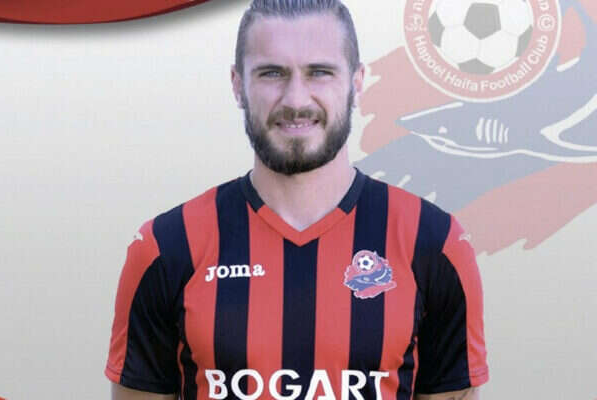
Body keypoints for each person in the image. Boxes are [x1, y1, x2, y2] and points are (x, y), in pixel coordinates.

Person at [105, 0, 489, 399]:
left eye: (319, 72)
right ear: (237, 84)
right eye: (272, 73)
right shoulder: (167, 246)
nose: (295, 100)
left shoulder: (433, 243)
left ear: (357, 82)